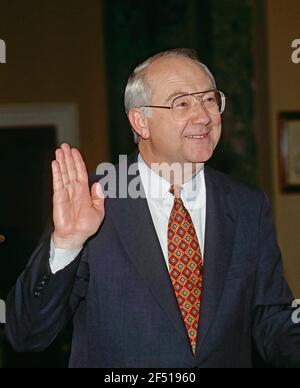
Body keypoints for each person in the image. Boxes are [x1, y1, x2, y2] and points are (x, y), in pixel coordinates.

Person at [5, 49, 300, 368]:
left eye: (210, 100)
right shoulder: (93, 200)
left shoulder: (246, 205)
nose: (203, 116)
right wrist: (66, 245)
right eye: (182, 103)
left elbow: (272, 322)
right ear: (140, 122)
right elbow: (26, 335)